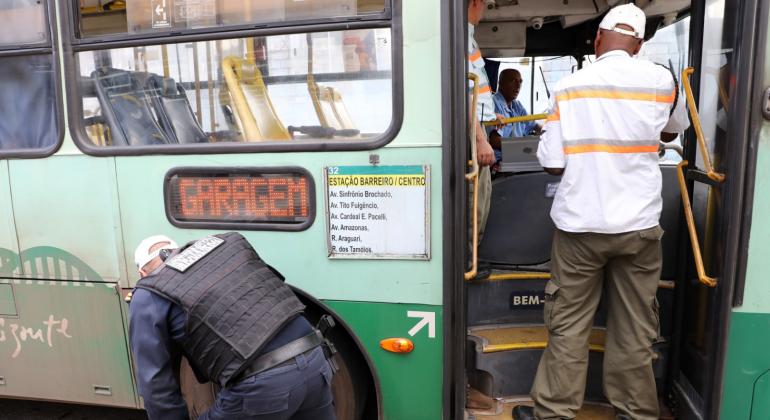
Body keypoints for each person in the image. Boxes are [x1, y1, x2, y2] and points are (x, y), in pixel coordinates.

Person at [512, 4, 689, 420]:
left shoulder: (570, 86)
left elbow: (552, 162)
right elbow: (671, 130)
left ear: (597, 41)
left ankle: (554, 412)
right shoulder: (662, 81)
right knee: (635, 327)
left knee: (569, 324)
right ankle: (635, 412)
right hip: (639, 227)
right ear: (639, 45)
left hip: (581, 227)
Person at [129, 233, 336, 420]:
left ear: (142, 273)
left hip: (264, 384)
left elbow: (155, 385)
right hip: (315, 357)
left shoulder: (148, 293)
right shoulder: (226, 245)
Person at [468, 0, 496, 241]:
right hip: (471, 130)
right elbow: (463, 94)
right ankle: (467, 257)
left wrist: (492, 115)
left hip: (477, 125)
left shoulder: (468, 37)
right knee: (474, 204)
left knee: (482, 198)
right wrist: (479, 140)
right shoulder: (458, 37)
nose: (485, 9)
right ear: (476, 2)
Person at [489, 69, 541, 162]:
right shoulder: (493, 103)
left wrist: (549, 135)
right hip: (501, 160)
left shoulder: (517, 105)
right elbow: (494, 141)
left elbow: (535, 126)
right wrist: (523, 148)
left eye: (520, 82)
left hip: (518, 155)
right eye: (513, 81)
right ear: (501, 83)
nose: (518, 86)